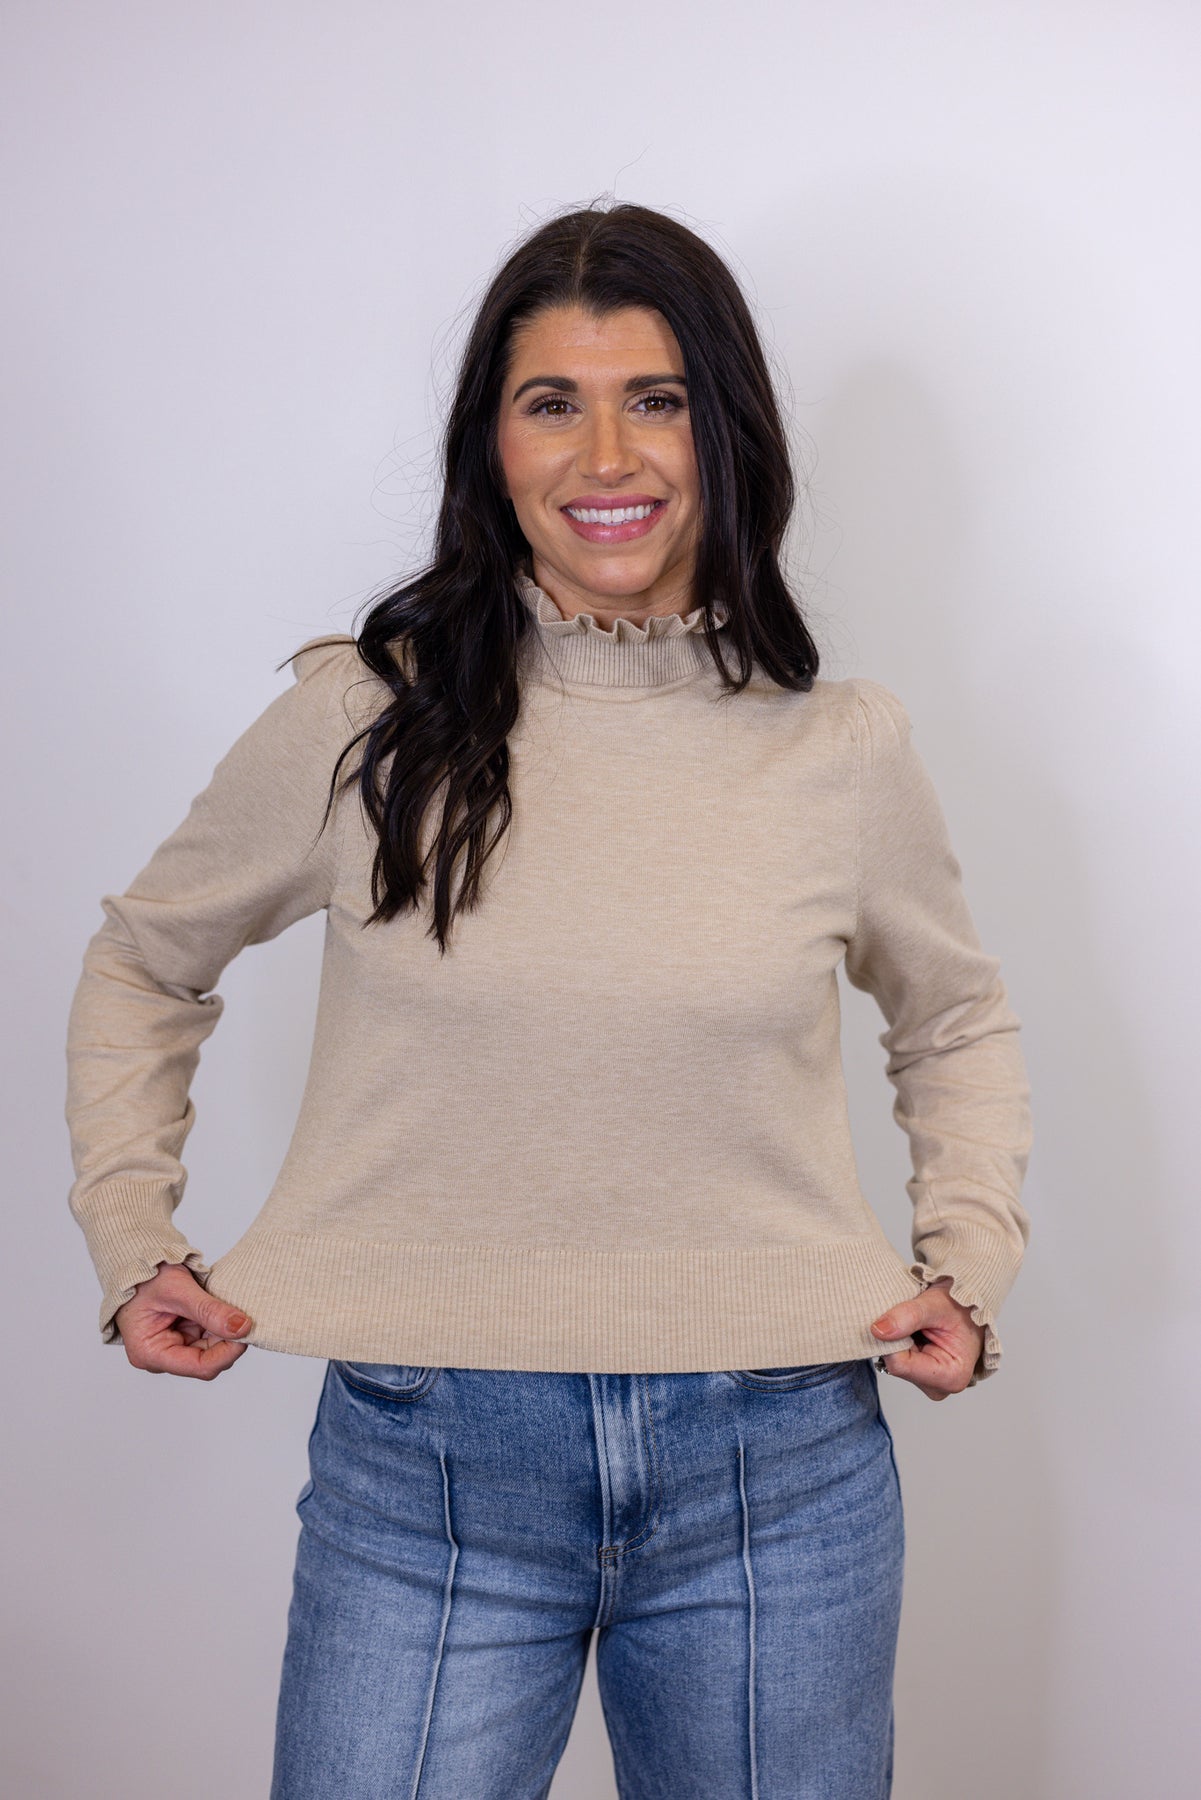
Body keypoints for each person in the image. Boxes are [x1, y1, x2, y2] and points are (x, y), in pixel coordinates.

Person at [65, 201, 1033, 1798]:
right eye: (550, 402)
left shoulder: (840, 746)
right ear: (491, 445)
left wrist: (968, 1262)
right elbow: (144, 959)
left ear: (725, 432)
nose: (608, 455)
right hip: (425, 1471)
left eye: (655, 398)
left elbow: (952, 1021)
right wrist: (130, 1234)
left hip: (780, 1472)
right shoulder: (363, 721)